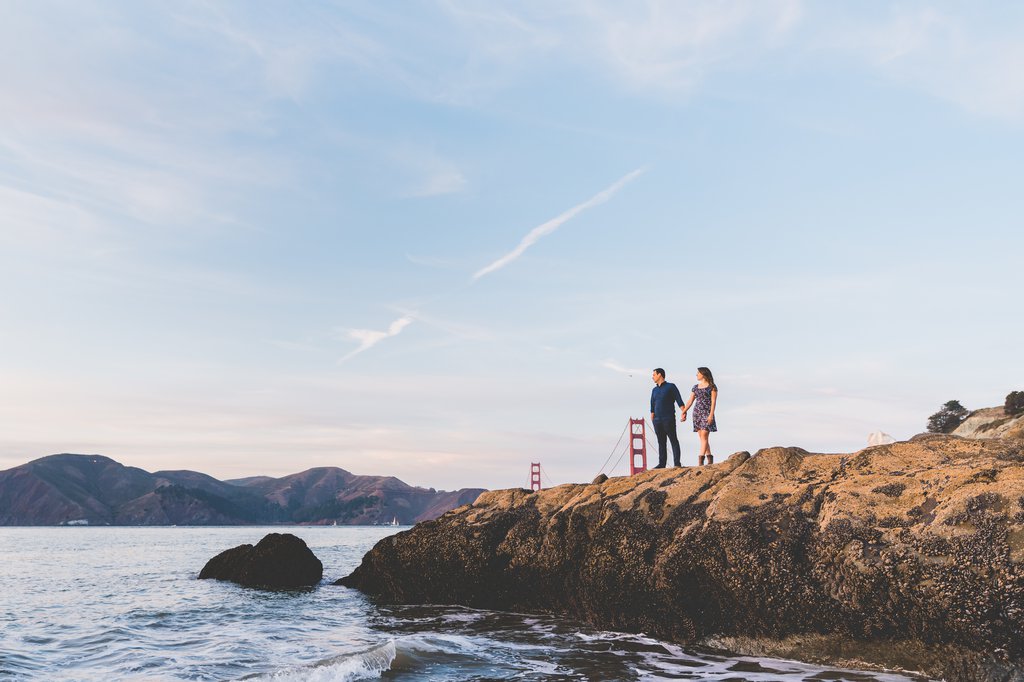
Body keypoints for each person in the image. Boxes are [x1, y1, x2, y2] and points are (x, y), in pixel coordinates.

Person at [681, 367, 717, 466]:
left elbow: (713, 402)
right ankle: (709, 457)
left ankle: (700, 461)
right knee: (702, 437)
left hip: (707, 413)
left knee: (704, 435)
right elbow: (690, 401)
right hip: (697, 413)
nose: (696, 375)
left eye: (698, 373)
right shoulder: (695, 387)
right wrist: (684, 411)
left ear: (703, 374)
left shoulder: (712, 387)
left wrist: (711, 415)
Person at [649, 368, 684, 468]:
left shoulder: (671, 386)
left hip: (668, 418)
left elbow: (679, 400)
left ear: (659, 374)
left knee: (673, 440)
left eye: (654, 375)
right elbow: (652, 404)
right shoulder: (654, 390)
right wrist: (652, 417)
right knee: (661, 442)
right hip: (657, 420)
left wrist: (684, 412)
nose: (652, 377)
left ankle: (677, 463)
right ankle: (662, 464)